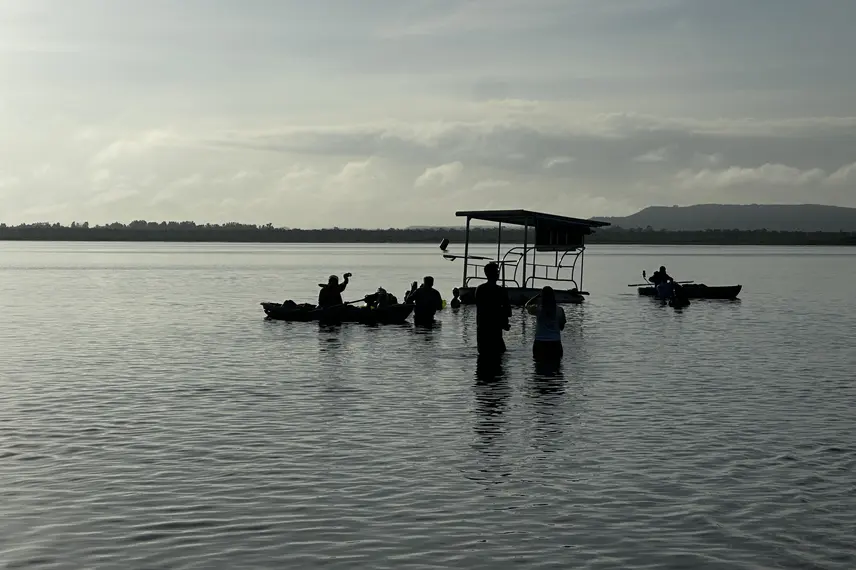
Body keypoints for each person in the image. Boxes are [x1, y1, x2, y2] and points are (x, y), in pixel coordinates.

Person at [475, 262, 511, 355]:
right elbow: (508, 311)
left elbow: (480, 310)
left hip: (482, 329)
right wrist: (505, 323)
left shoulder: (480, 289)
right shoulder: (501, 291)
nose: (498, 273)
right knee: (498, 356)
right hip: (495, 329)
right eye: (497, 271)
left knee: (483, 357)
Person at [525, 286, 566, 361]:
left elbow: (526, 305)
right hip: (555, 343)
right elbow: (561, 327)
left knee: (539, 365)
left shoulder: (537, 309)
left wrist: (536, 297)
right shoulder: (560, 310)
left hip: (540, 343)